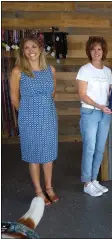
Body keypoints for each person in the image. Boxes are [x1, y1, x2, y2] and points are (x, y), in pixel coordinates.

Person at [10, 35, 59, 205]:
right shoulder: (18, 71)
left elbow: (52, 92)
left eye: (34, 47)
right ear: (22, 51)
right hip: (29, 117)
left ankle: (49, 187)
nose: (30, 51)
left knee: (48, 155)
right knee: (33, 155)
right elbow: (14, 98)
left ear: (40, 49)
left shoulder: (50, 70)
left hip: (48, 115)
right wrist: (26, 113)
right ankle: (39, 191)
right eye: (26, 48)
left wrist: (44, 106)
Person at [76, 36, 112, 197]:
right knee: (89, 147)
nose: (96, 52)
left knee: (99, 148)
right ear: (89, 51)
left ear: (103, 51)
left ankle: (94, 179)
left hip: (105, 114)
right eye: (93, 49)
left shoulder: (107, 71)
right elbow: (82, 94)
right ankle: (86, 183)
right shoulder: (84, 70)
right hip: (90, 112)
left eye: (99, 49)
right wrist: (99, 106)